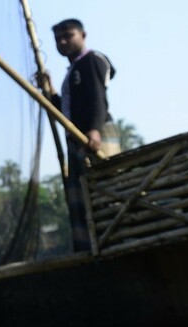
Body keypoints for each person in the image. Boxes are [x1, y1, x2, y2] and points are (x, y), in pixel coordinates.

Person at [41, 18, 120, 252]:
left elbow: (98, 98)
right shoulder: (73, 71)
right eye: (58, 39)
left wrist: (94, 129)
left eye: (68, 35)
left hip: (94, 135)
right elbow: (66, 111)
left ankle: (112, 241)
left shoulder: (91, 61)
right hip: (78, 137)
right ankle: (91, 248)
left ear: (82, 35)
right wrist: (49, 91)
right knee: (83, 196)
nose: (63, 41)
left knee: (103, 189)